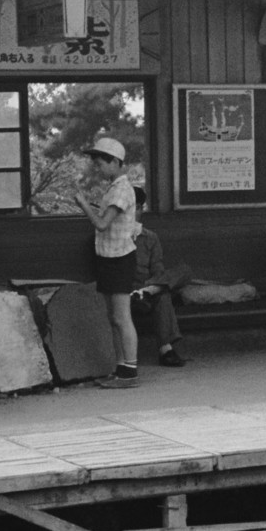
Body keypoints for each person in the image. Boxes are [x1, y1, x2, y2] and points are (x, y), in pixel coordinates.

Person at [74, 136, 141, 388]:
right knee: (114, 318)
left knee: (122, 317)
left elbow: (101, 224)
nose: (97, 167)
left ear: (115, 161)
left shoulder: (123, 189)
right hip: (109, 258)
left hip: (120, 259)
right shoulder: (114, 187)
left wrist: (83, 205)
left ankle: (129, 372)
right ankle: (121, 368)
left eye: (101, 162)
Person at [128, 186, 191, 368]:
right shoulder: (111, 236)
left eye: (136, 208)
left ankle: (147, 291)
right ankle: (166, 350)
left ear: (140, 210)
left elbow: (158, 269)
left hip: (149, 289)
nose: (132, 213)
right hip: (125, 291)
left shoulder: (150, 238)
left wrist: (152, 286)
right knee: (163, 296)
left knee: (183, 272)